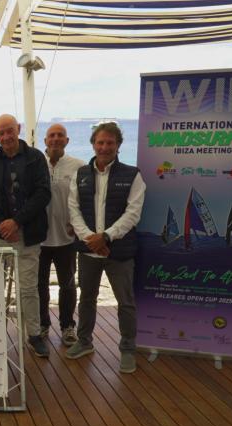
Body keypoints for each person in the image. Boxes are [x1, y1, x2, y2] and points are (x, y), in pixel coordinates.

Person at [67, 122, 146, 373]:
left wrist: (107, 237)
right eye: (100, 142)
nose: (104, 147)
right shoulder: (80, 174)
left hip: (119, 251)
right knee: (86, 298)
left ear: (118, 145)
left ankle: (128, 350)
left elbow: (133, 214)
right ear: (93, 144)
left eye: (110, 142)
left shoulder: (133, 175)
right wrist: (91, 239)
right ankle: (84, 342)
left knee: (125, 302)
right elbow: (73, 210)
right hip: (89, 250)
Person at [0, 114, 51, 357]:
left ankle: (34, 335)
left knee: (29, 289)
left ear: (18, 129)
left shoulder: (36, 158)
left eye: (10, 130)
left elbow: (43, 193)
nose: (6, 136)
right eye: (1, 133)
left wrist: (16, 222)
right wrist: (3, 224)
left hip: (28, 235)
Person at [38, 124, 85, 346]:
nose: (55, 139)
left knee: (67, 285)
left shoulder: (79, 166)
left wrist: (80, 225)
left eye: (60, 135)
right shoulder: (36, 164)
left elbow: (86, 200)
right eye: (51, 135)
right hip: (38, 239)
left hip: (66, 239)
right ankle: (42, 324)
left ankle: (67, 326)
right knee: (39, 286)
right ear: (45, 140)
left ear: (67, 140)